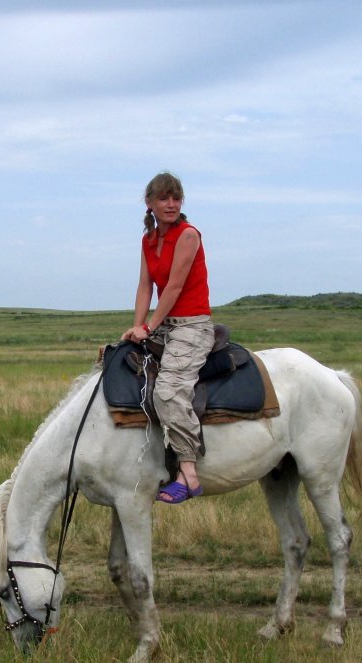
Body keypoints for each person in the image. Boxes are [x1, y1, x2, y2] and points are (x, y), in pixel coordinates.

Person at [122, 172, 214, 504]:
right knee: (117, 359)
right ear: (150, 203)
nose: (171, 204)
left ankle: (187, 471)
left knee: (168, 391)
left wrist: (149, 326)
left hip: (192, 324)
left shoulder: (188, 235)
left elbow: (173, 287)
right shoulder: (148, 241)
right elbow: (145, 286)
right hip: (165, 323)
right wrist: (136, 326)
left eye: (176, 198)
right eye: (164, 198)